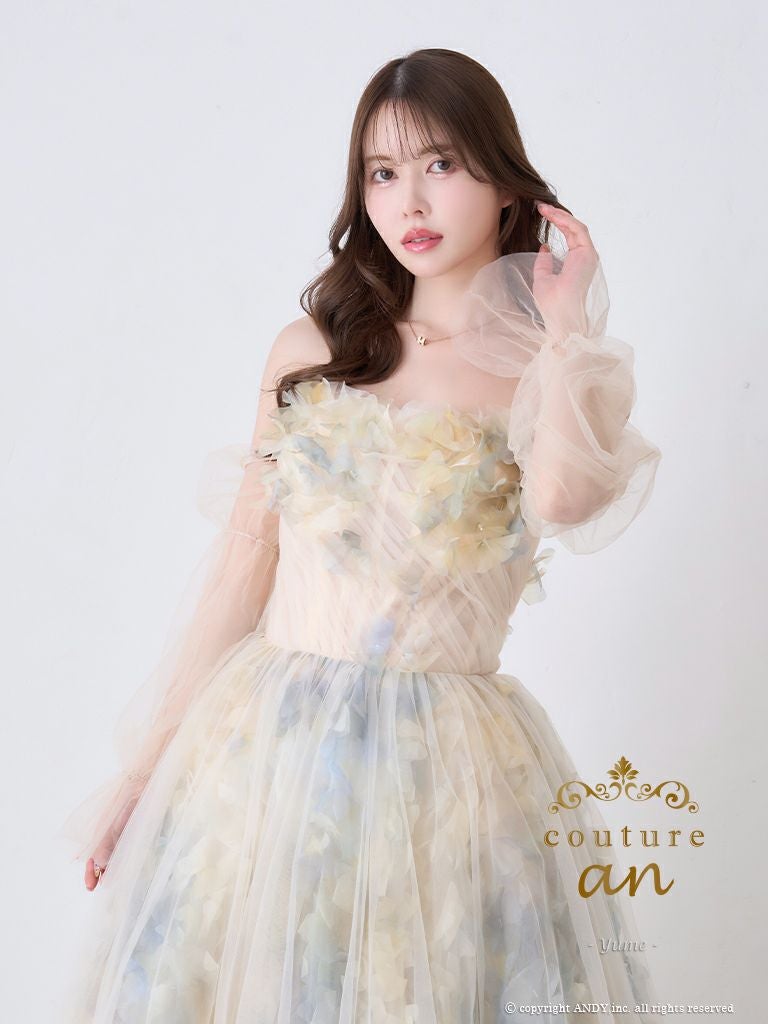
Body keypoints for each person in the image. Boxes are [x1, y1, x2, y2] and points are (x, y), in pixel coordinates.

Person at [58, 47, 662, 1022]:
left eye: (441, 164)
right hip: (269, 754)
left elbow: (563, 499)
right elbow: (243, 565)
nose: (409, 201)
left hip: (447, 775)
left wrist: (565, 328)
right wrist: (145, 771)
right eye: (383, 172)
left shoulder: (544, 367)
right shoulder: (313, 350)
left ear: (505, 182)